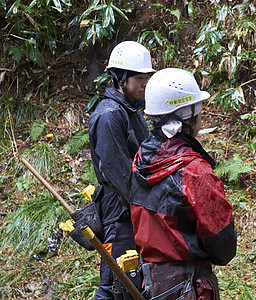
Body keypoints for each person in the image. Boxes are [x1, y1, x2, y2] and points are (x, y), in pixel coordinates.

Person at [129, 68, 237, 299]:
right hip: (189, 285)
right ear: (187, 116)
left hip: (150, 281)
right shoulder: (194, 172)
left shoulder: (140, 160)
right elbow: (223, 243)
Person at [88, 40, 155, 299]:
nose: (144, 84)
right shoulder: (109, 116)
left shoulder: (132, 111)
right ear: (120, 78)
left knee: (133, 282)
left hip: (135, 211)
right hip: (119, 215)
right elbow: (120, 176)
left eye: (146, 78)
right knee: (115, 283)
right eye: (139, 78)